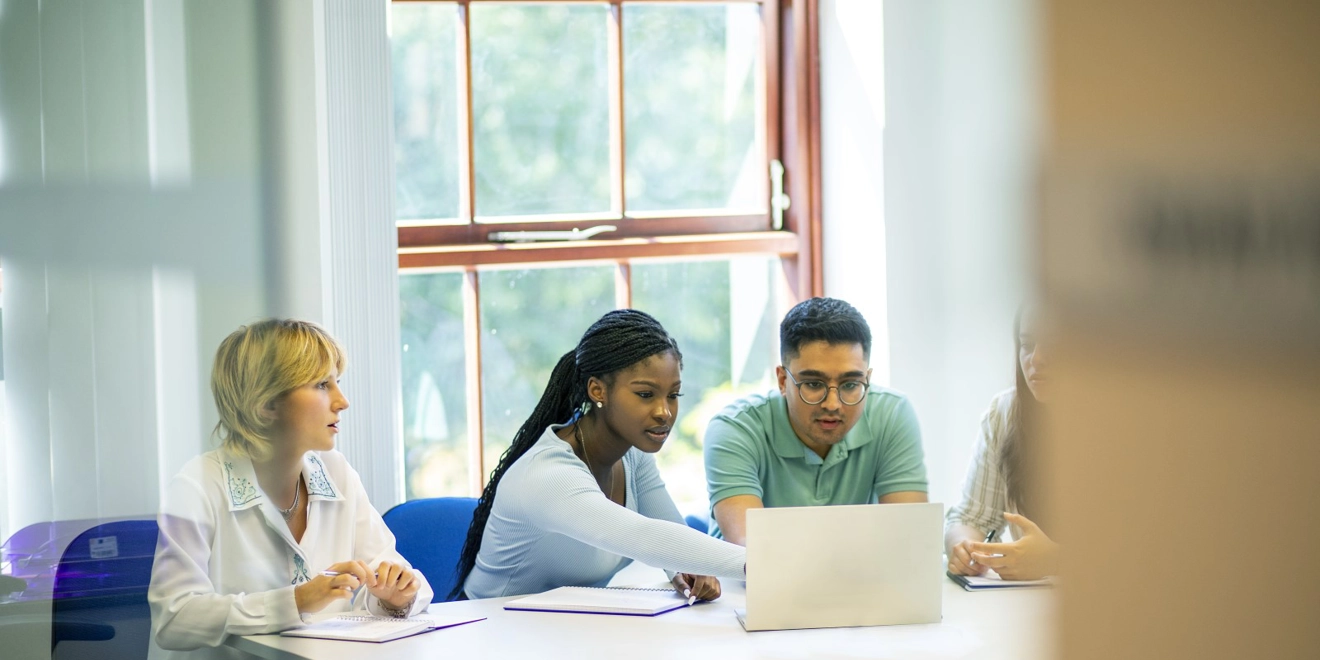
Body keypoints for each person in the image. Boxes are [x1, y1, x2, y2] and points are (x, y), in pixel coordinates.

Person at [149, 319, 432, 658]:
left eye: (337, 382)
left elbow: (400, 576)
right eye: (322, 385)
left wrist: (397, 594)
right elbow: (174, 619)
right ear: (266, 404)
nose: (342, 401)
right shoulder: (197, 484)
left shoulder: (337, 472)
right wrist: (297, 600)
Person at [455, 309, 746, 601]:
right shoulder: (549, 475)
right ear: (598, 391)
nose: (664, 412)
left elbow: (671, 533)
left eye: (673, 395)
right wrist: (760, 565)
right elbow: (643, 536)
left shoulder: (633, 457)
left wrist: (686, 568)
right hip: (492, 630)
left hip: (562, 630)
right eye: (645, 394)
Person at [704, 297, 929, 545]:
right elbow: (754, 554)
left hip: (856, 580)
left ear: (867, 378)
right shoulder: (735, 429)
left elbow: (909, 541)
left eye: (851, 384)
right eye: (813, 384)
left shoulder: (892, 413)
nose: (832, 404)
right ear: (782, 381)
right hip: (745, 583)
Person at [945, 307, 1060, 580]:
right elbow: (970, 519)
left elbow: (1149, 550)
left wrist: (1056, 560)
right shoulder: (1006, 411)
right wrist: (964, 548)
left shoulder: (1133, 423)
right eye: (1027, 344)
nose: (1037, 359)